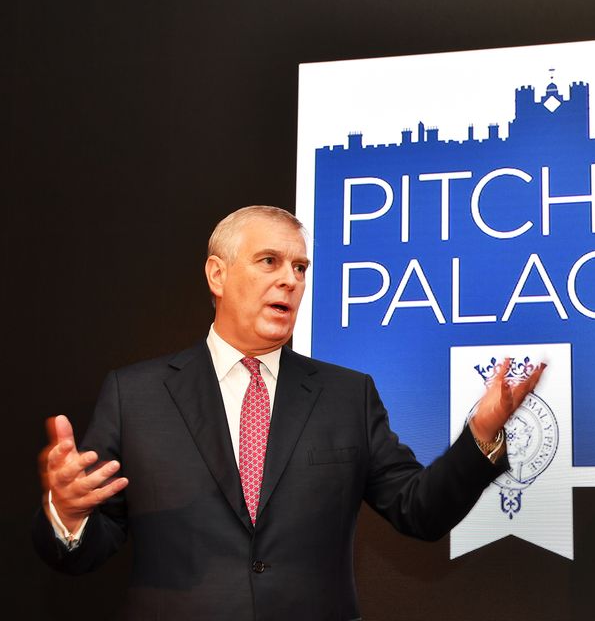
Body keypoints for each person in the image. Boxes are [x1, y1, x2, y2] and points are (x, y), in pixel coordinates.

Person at [34, 205, 544, 620]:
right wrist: (69, 512)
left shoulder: (348, 395)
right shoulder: (135, 394)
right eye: (269, 262)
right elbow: (88, 548)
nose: (290, 280)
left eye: (300, 268)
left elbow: (421, 510)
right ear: (217, 273)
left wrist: (480, 435)